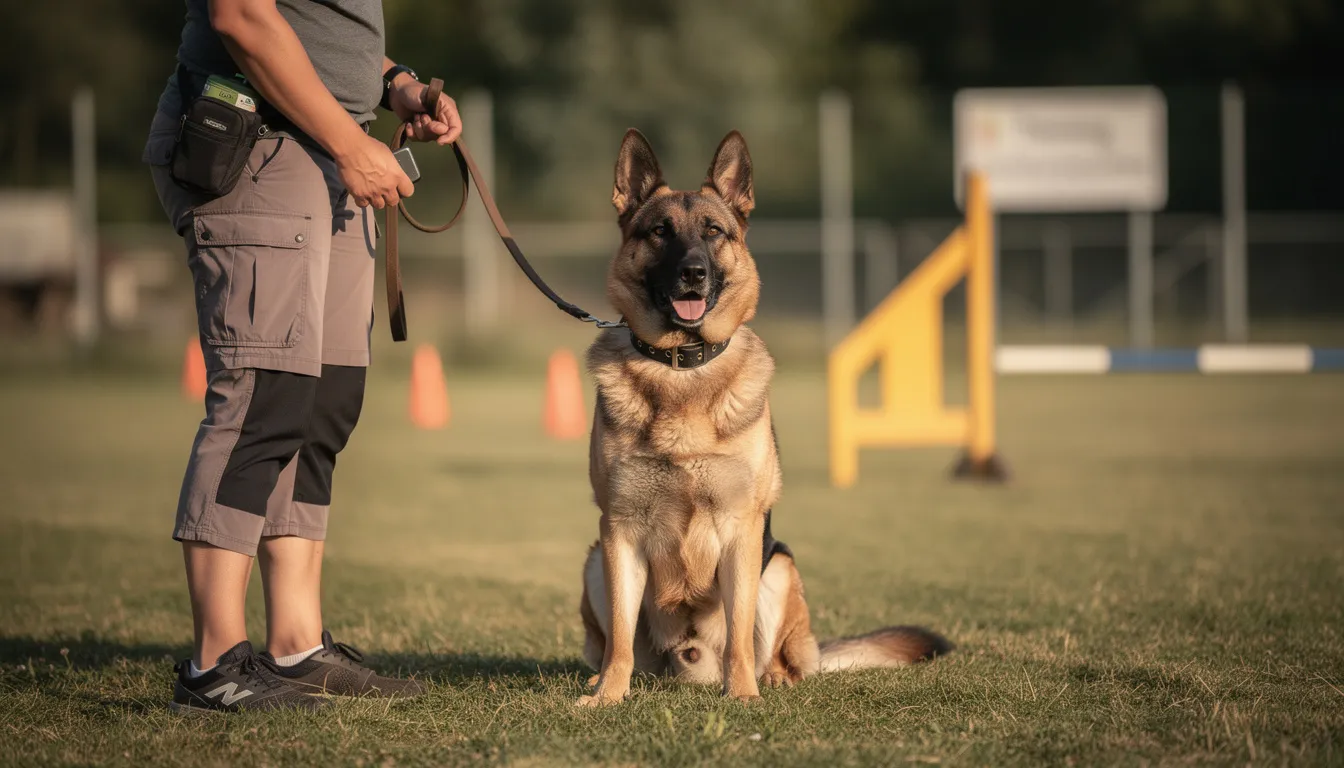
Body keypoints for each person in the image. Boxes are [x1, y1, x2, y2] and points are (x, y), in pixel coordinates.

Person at [141, 0, 461, 712]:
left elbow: (319, 25)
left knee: (325, 401)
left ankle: (295, 646)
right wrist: (350, 143)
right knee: (263, 397)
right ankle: (213, 665)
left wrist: (395, 83)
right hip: (256, 138)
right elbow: (240, 14)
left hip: (331, 153)